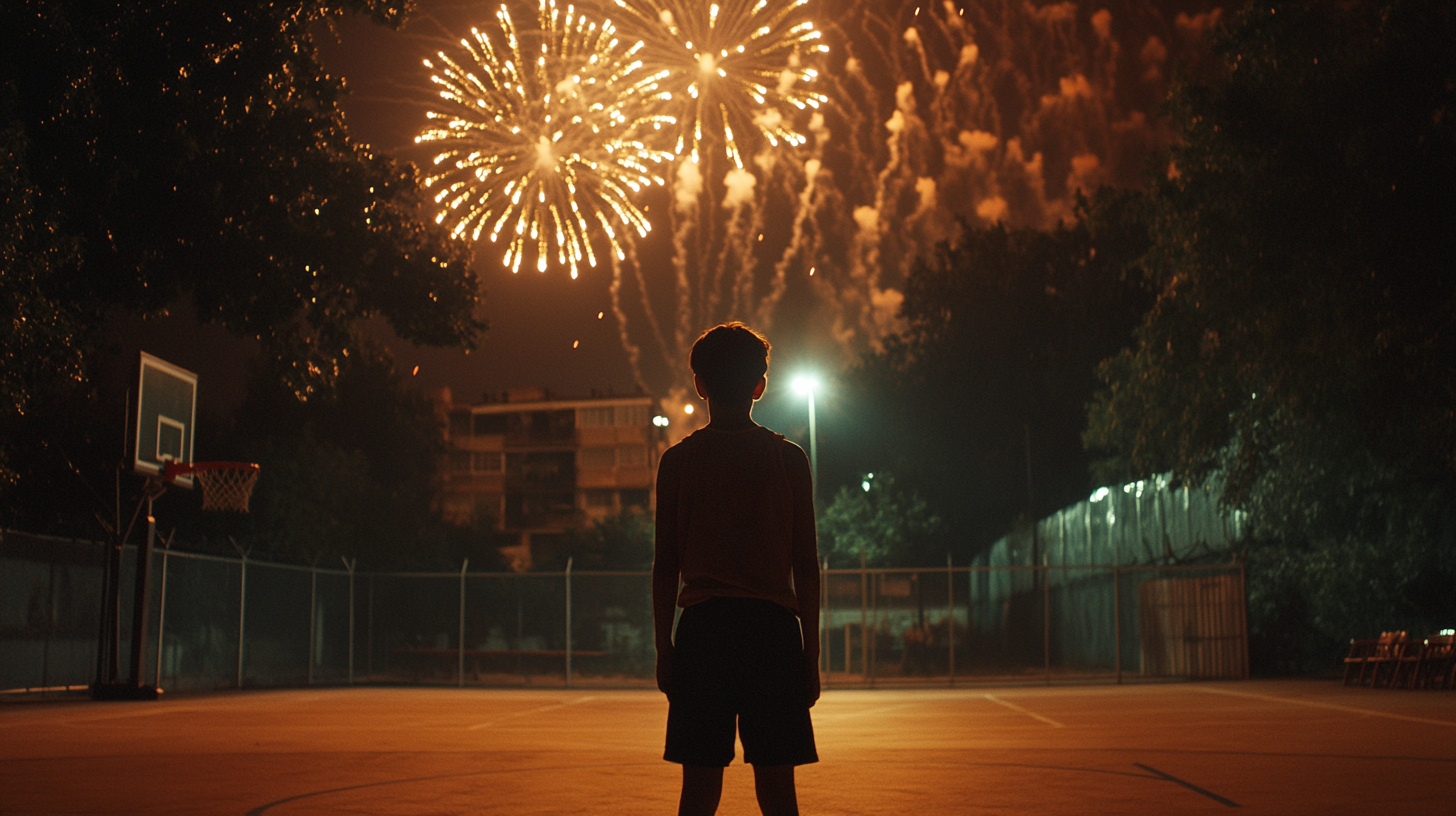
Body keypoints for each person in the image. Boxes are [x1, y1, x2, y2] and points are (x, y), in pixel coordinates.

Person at [653, 322, 821, 816]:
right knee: (777, 791)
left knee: (699, 792)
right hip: (772, 634)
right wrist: (809, 656)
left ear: (699, 384)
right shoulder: (788, 459)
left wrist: (666, 649)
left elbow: (666, 566)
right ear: (760, 386)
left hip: (704, 634)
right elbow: (806, 565)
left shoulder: (678, 462)